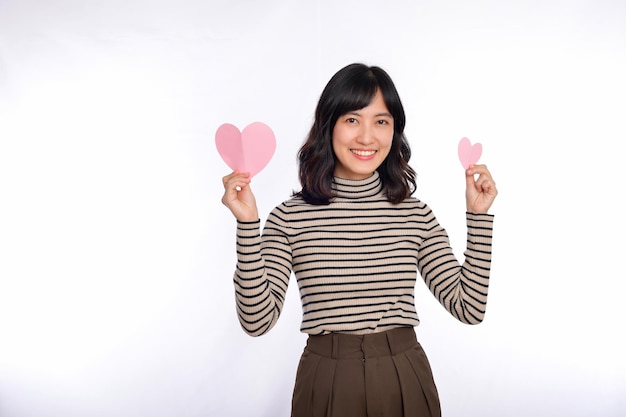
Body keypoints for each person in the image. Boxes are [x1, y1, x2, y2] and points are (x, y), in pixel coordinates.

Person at [221, 63, 497, 417]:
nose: (367, 137)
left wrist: (479, 218)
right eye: (353, 119)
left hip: (405, 378)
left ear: (394, 130)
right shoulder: (289, 218)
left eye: (381, 121)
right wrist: (247, 226)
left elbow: (469, 308)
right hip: (326, 380)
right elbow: (256, 322)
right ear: (328, 125)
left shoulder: (415, 215)